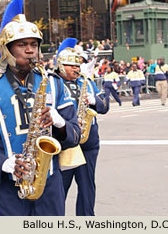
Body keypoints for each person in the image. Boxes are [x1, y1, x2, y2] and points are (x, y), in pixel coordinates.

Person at [0, 0, 80, 216]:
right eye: (22, 44)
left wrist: (60, 122)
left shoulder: (54, 83)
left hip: (51, 185)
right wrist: (4, 164)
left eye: (33, 44)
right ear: (7, 49)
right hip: (10, 189)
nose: (30, 50)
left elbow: (75, 136)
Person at [54, 38, 109, 216]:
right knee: (60, 189)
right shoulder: (53, 83)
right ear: (61, 65)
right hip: (65, 143)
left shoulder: (87, 82)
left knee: (87, 188)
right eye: (72, 65)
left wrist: (94, 102)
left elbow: (105, 105)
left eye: (78, 66)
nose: (77, 69)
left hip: (88, 143)